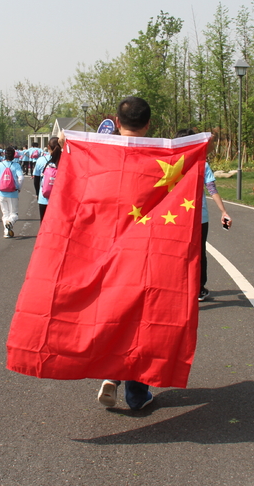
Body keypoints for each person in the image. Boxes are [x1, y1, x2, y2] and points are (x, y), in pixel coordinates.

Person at [97, 96, 156, 411]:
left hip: (108, 249)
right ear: (148, 124)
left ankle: (111, 373)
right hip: (145, 252)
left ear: (117, 123)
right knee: (141, 319)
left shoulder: (99, 154)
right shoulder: (161, 157)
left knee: (113, 312)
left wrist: (67, 145)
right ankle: (136, 392)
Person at [175, 129, 232, 301]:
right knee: (199, 253)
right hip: (199, 218)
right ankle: (198, 288)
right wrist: (223, 211)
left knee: (178, 252)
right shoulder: (202, 165)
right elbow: (212, 189)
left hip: (175, 218)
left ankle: (179, 287)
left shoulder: (170, 164)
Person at [0, 146, 24, 238]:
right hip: (13, 193)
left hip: (1, 193)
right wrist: (18, 187)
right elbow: (21, 177)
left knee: (5, 213)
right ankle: (10, 223)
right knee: (14, 214)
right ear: (14, 155)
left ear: (4, 154)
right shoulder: (16, 165)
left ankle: (7, 232)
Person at [34, 137, 61, 222]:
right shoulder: (64, 160)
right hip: (59, 197)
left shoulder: (41, 160)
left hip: (44, 196)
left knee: (44, 222)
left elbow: (36, 179)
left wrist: (38, 193)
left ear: (48, 147)